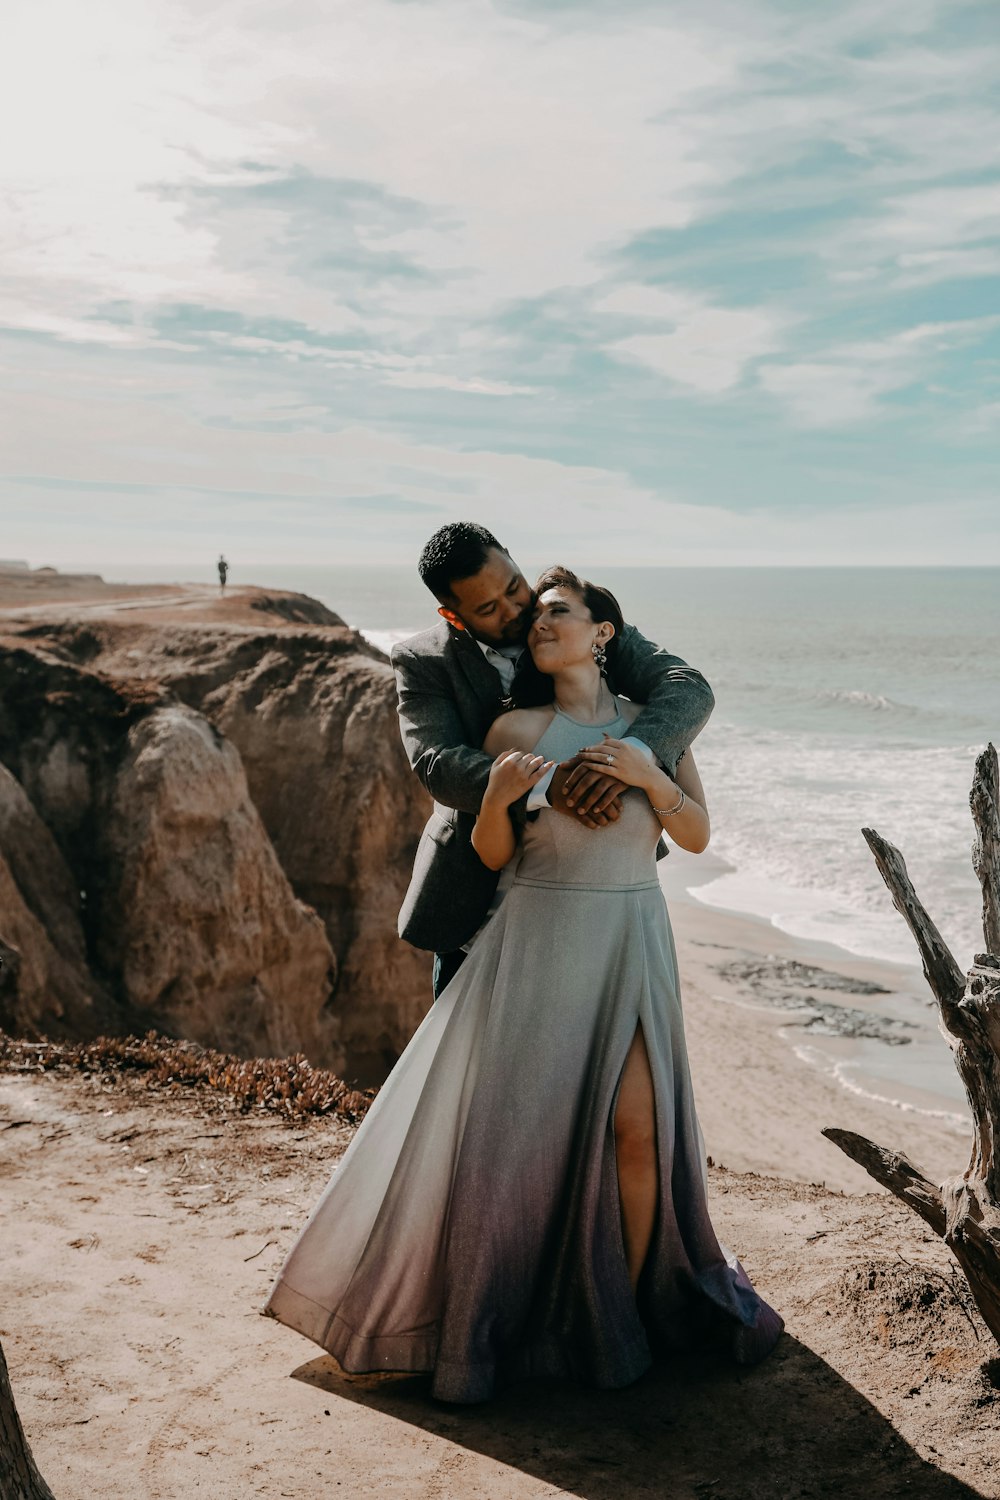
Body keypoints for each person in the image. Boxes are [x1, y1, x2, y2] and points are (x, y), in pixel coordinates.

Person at [264, 564, 783, 1402]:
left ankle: (636, 1309)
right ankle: (507, 1312)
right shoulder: (513, 727)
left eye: (556, 613)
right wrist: (501, 800)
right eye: (530, 616)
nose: (537, 624)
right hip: (537, 940)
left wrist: (649, 776)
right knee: (519, 1146)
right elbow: (492, 856)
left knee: (640, 1132)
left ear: (603, 633)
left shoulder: (658, 726)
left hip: (632, 938)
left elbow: (693, 834)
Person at [391, 523, 716, 998]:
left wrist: (633, 759)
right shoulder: (423, 660)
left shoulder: (571, 622)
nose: (516, 611)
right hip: (472, 888)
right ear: (452, 614)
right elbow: (436, 764)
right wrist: (547, 784)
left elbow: (688, 688)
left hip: (590, 884)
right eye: (487, 608)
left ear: (511, 558)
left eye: (513, 586)